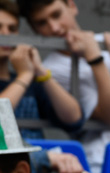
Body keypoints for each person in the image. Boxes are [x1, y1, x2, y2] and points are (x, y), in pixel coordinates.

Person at [19, 0, 110, 173]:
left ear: (72, 6)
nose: (54, 28)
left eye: (56, 15)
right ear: (34, 28)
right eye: (41, 23)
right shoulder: (51, 68)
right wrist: (94, 57)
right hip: (99, 158)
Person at [0, 0, 82, 139]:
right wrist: (24, 76)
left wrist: (39, 71)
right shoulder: (25, 77)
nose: (5, 34)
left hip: (39, 158)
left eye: (12, 29)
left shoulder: (32, 82)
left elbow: (74, 119)